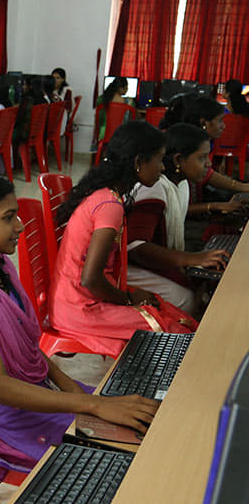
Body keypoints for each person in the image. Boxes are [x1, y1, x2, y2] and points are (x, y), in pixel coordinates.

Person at [0, 172, 159, 497]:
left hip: (34, 392)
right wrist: (91, 405)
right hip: (5, 417)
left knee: (141, 420)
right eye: (8, 218)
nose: (20, 226)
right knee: (122, 457)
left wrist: (78, 392)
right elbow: (0, 387)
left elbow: (30, 350)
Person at [49, 121, 197, 358]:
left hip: (74, 301)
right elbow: (90, 279)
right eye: (159, 159)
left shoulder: (107, 194)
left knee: (166, 310)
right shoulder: (110, 206)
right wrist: (128, 299)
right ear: (139, 162)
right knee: (174, 331)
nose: (162, 167)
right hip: (81, 309)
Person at [126, 124, 231, 315]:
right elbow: (135, 246)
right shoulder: (155, 187)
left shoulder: (181, 184)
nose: (208, 164)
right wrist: (190, 259)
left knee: (199, 282)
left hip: (146, 260)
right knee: (185, 299)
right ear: (178, 160)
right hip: (127, 265)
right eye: (201, 157)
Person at [95, 76, 129, 142]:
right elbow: (127, 120)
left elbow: (98, 119)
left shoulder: (100, 99)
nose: (127, 89)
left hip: (102, 134)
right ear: (120, 88)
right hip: (119, 135)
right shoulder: (126, 102)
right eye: (126, 87)